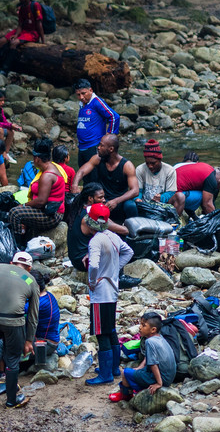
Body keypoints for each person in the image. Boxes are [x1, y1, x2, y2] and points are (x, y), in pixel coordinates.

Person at [83, 202, 134, 385]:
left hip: (100, 292)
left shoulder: (95, 241)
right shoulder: (113, 236)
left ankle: (105, 375)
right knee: (110, 329)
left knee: (101, 332)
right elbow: (129, 252)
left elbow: (94, 264)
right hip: (111, 288)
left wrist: (92, 280)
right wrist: (115, 269)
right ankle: (113, 368)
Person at [0, 260, 39, 408]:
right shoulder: (30, 279)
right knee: (12, 359)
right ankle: (11, 399)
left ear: (12, 262)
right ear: (29, 268)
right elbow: (33, 316)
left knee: (1, 345)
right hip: (13, 323)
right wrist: (29, 340)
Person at [7, 138, 67, 247]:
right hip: (47, 210)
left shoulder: (47, 176)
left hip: (53, 214)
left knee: (14, 213)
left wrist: (24, 205)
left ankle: (17, 246)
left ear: (38, 159)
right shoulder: (48, 169)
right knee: (15, 205)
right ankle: (24, 237)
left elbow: (41, 201)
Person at [109, 313, 176, 403]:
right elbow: (149, 357)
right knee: (136, 370)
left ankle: (126, 395)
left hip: (162, 379)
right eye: (140, 324)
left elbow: (153, 364)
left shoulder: (149, 342)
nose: (140, 327)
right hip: (169, 377)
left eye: (144, 325)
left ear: (153, 329)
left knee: (125, 372)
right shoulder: (159, 337)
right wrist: (139, 368)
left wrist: (159, 383)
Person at [72, 134, 139, 224]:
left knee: (131, 206)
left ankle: (133, 232)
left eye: (101, 146)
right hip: (102, 199)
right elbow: (82, 171)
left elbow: (135, 191)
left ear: (111, 149)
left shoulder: (127, 166)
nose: (98, 148)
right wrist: (75, 185)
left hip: (120, 200)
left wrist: (116, 201)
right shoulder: (97, 159)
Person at [74, 79, 120, 166]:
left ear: (90, 90)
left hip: (94, 146)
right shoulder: (82, 103)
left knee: (94, 176)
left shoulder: (96, 102)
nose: (81, 97)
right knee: (84, 175)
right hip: (82, 146)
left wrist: (109, 137)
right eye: (78, 95)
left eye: (83, 93)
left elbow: (114, 117)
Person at [0, 0, 44, 72]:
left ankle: (5, 69)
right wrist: (16, 35)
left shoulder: (35, 5)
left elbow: (39, 24)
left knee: (14, 43)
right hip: (22, 31)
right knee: (1, 42)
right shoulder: (22, 8)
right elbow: (20, 25)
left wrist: (42, 40)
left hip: (32, 33)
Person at [137, 139, 182, 213]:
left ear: (160, 160)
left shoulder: (169, 170)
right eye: (147, 163)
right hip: (145, 205)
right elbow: (139, 191)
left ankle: (174, 222)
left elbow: (171, 192)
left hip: (163, 205)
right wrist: (138, 198)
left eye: (153, 163)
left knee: (180, 197)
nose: (150, 166)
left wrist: (161, 197)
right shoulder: (140, 169)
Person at [31, 269, 60, 353]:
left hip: (46, 344)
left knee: (2, 344)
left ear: (37, 287)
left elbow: (18, 309)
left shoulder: (39, 303)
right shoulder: (48, 295)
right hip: (49, 340)